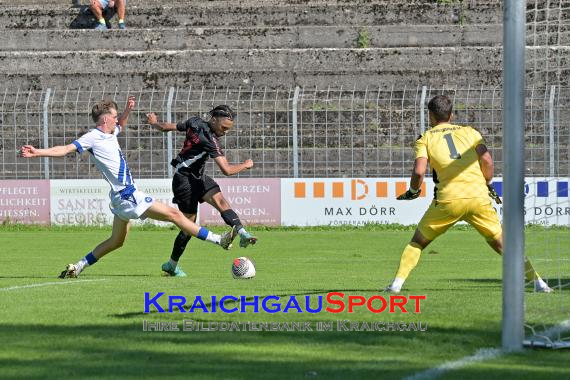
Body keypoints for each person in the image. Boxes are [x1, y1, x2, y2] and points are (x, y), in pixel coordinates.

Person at [20, 97, 237, 279]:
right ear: (105, 119)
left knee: (117, 241)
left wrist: (126, 110)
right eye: (114, 117)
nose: (117, 121)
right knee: (175, 215)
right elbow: (66, 149)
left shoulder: (110, 133)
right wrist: (37, 152)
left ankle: (78, 266)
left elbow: (120, 123)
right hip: (128, 194)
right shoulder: (92, 137)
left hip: (119, 197)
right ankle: (220, 240)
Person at [384, 95, 552, 293]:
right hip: (478, 198)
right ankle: (539, 283)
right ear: (451, 114)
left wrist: (413, 191)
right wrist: (487, 182)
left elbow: (419, 171)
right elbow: (487, 161)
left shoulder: (426, 138)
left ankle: (396, 285)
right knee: (502, 244)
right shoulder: (471, 132)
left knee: (417, 242)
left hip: (448, 201)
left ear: (430, 115)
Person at [145, 105, 257, 277]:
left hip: (198, 177)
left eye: (228, 129)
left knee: (221, 201)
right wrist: (246, 165)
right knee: (188, 227)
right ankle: (171, 265)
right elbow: (226, 170)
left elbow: (169, 127)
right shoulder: (211, 141)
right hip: (184, 181)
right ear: (214, 120)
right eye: (224, 127)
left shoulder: (194, 122)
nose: (225, 132)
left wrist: (155, 123)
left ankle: (242, 233)